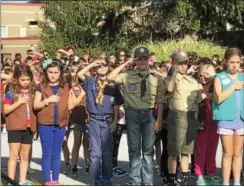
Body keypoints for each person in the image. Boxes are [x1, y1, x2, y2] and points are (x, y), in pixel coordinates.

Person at [107, 47, 165, 185]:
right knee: (134, 149)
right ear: (135, 60)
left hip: (149, 115)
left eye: (144, 58)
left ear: (149, 59)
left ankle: (148, 182)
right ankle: (135, 181)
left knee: (148, 151)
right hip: (132, 114)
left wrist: (159, 119)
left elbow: (160, 101)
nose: (142, 61)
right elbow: (110, 77)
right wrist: (125, 63)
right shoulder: (127, 75)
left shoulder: (156, 78)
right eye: (139, 58)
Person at [77, 58, 124, 185]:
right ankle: (95, 178)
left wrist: (115, 120)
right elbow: (79, 74)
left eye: (104, 65)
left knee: (107, 151)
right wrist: (92, 64)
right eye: (100, 65)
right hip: (94, 120)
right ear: (95, 69)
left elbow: (116, 104)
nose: (102, 67)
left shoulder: (113, 84)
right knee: (95, 152)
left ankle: (106, 177)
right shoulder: (90, 81)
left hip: (107, 120)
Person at [165, 49, 202, 185]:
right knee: (174, 150)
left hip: (190, 116)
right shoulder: (171, 78)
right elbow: (169, 89)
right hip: (177, 116)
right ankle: (172, 177)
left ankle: (185, 177)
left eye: (185, 63)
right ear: (174, 63)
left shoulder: (192, 81)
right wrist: (174, 72)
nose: (183, 66)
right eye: (180, 63)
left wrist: (197, 119)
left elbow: (197, 102)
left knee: (187, 149)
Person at [33, 61, 73, 185]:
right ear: (46, 72)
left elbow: (70, 105)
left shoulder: (65, 86)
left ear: (60, 73)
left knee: (56, 153)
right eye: (50, 72)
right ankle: (47, 180)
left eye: (56, 72)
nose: (53, 75)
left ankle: (55, 180)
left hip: (60, 124)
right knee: (47, 152)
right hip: (45, 123)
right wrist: (47, 100)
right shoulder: (41, 86)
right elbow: (35, 105)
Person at [212, 47, 244, 186]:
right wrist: (233, 87)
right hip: (226, 120)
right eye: (232, 62)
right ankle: (225, 182)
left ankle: (236, 181)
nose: (235, 65)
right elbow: (218, 98)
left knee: (238, 153)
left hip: (241, 120)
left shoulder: (243, 77)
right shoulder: (219, 77)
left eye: (238, 62)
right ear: (226, 61)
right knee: (227, 153)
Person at [4, 65, 37, 185]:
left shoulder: (33, 91)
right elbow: (6, 109)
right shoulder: (11, 92)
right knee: (13, 155)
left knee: (25, 156)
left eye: (28, 79)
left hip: (28, 128)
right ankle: (10, 181)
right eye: (23, 80)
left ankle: (22, 181)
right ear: (17, 79)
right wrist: (19, 102)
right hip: (15, 128)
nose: (26, 82)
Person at [194, 64, 219, 185]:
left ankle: (211, 174)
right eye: (201, 74)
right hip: (201, 122)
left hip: (214, 122)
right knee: (201, 150)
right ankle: (199, 174)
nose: (203, 77)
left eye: (206, 74)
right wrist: (202, 95)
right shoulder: (196, 86)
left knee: (212, 149)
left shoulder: (216, 86)